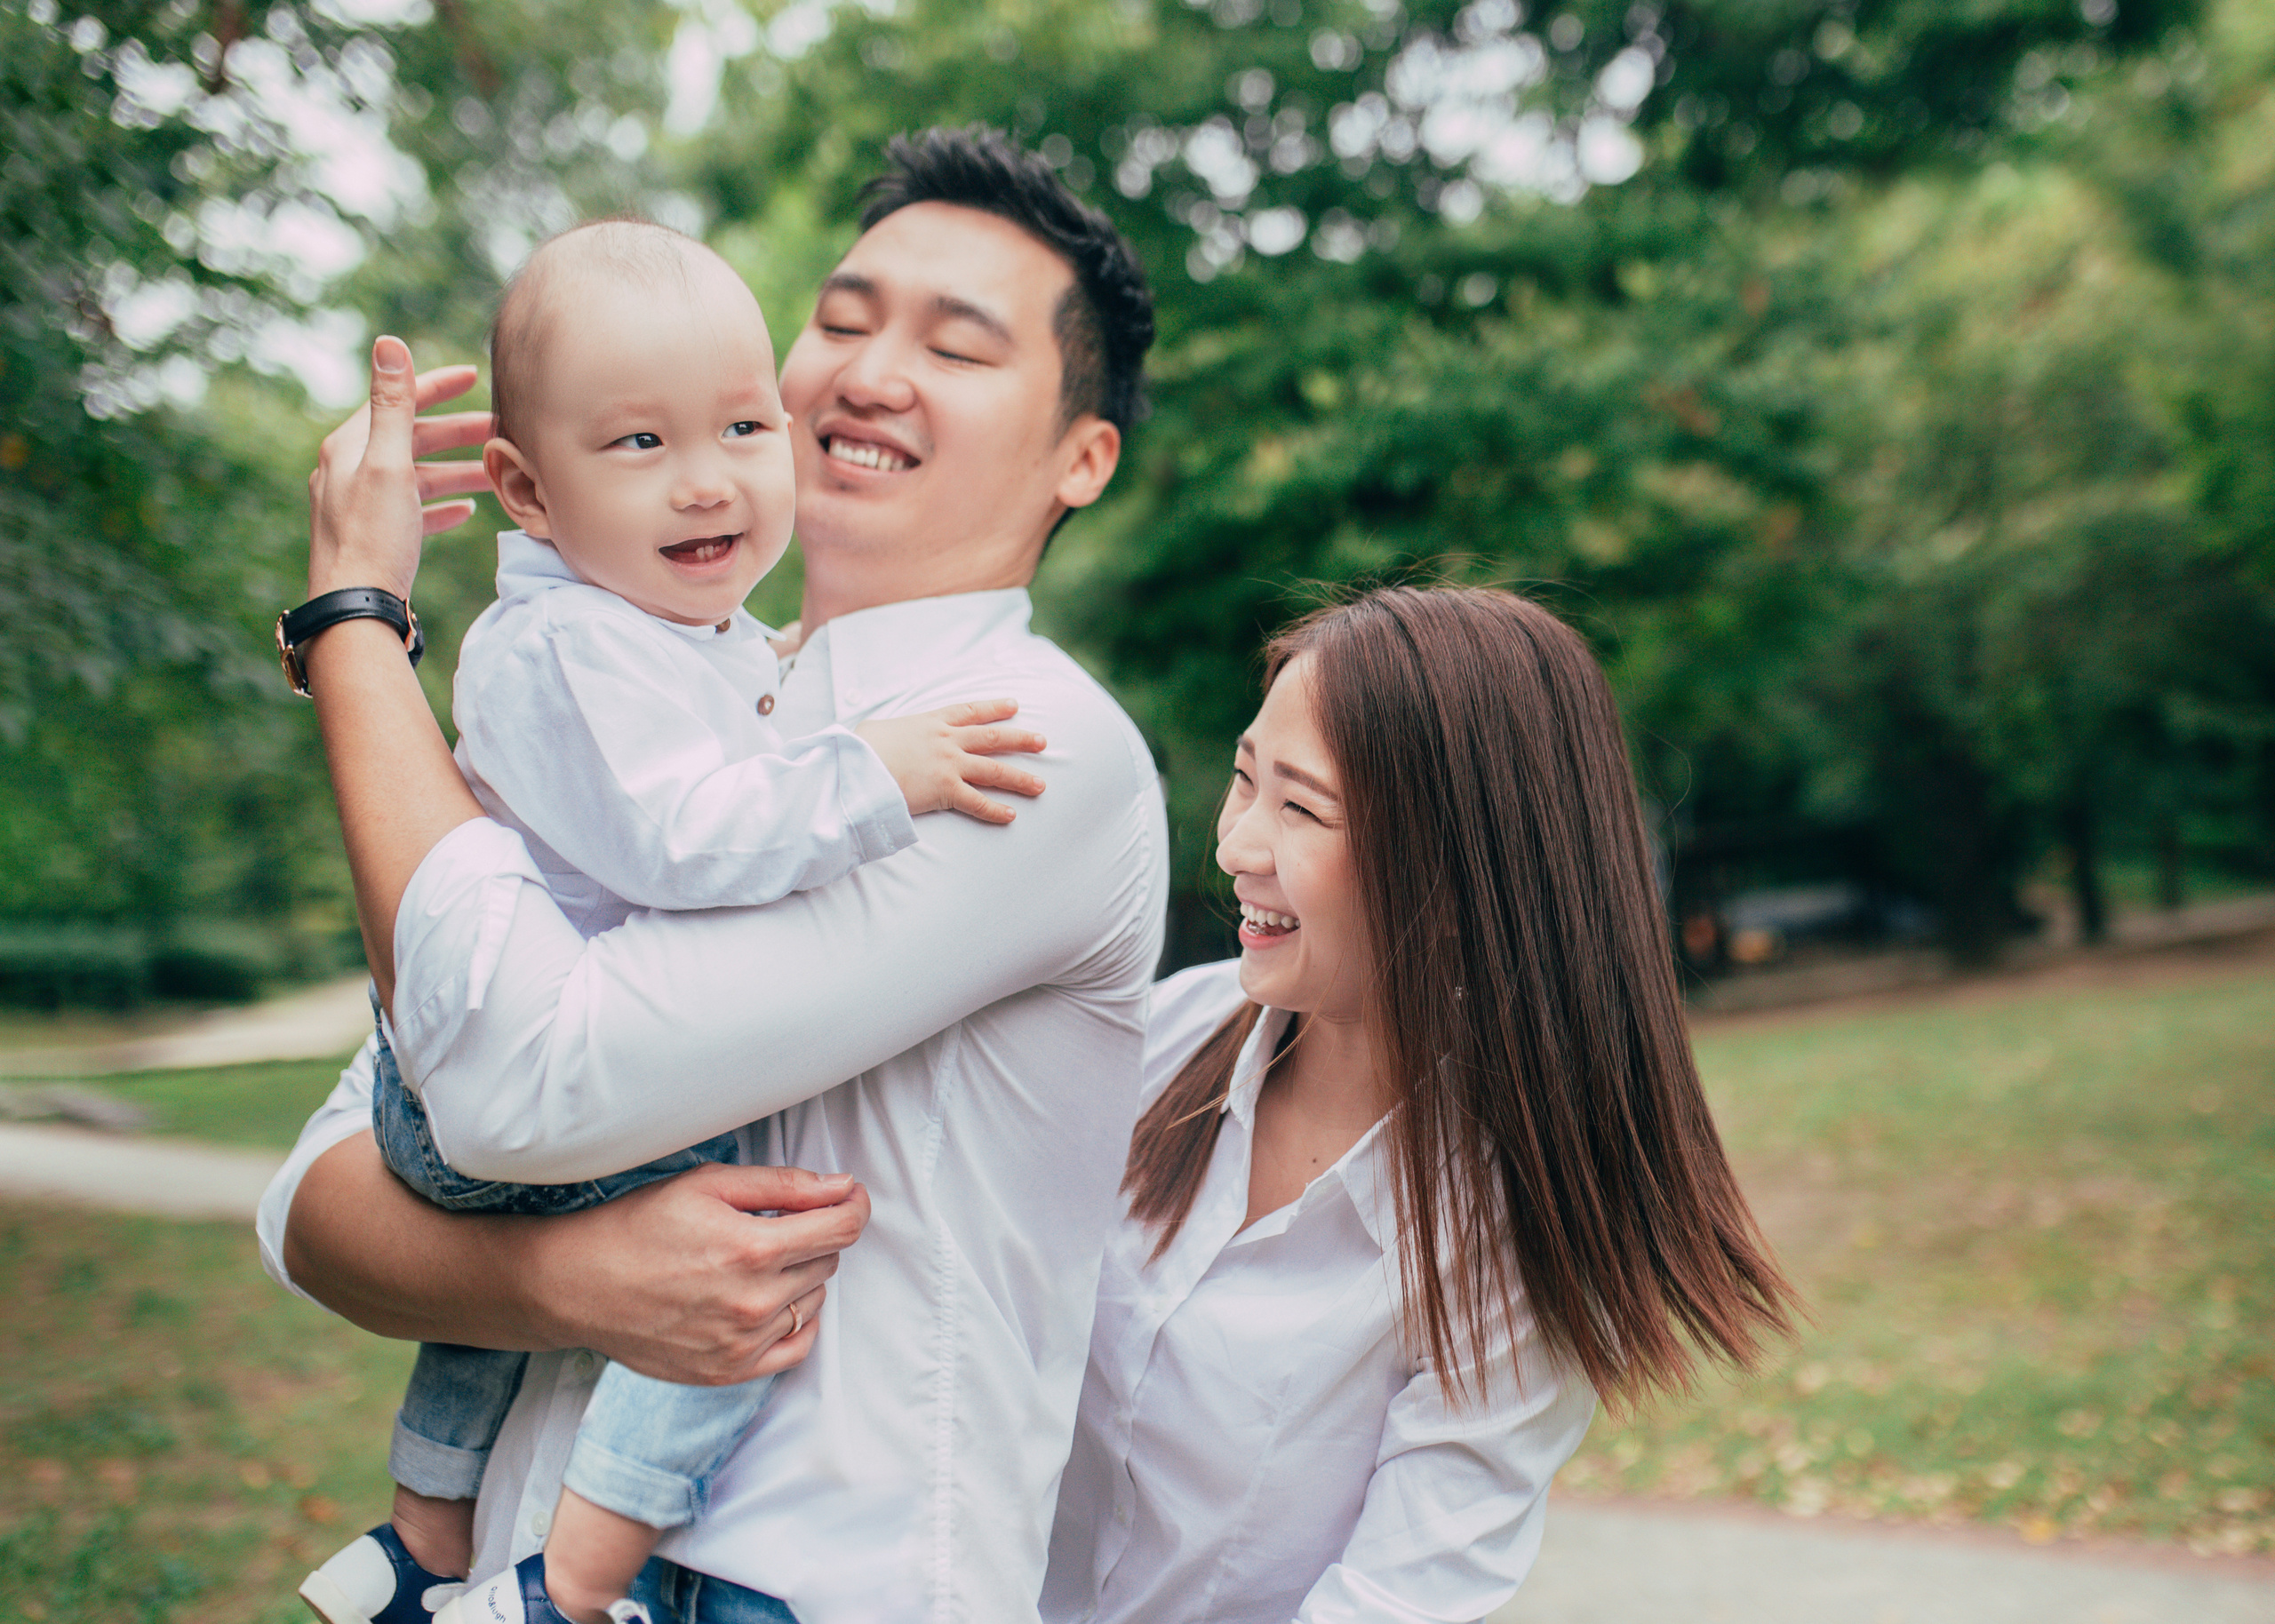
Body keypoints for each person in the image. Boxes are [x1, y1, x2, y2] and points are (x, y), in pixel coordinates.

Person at [257, 127, 1166, 1624]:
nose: (870, 372)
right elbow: (318, 1202)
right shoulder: (656, 698)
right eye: (846, 319)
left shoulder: (1022, 747)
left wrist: (353, 631)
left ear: (1083, 454)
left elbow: (504, 1080)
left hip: (802, 1587)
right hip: (521, 1570)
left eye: (957, 345)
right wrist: (564, 1279)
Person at [1042, 585, 1801, 1623]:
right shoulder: (1145, 1042)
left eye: (1300, 808)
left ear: (1451, 873)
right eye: (1243, 779)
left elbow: (1395, 1599)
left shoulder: (1505, 1245)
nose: (1235, 845)